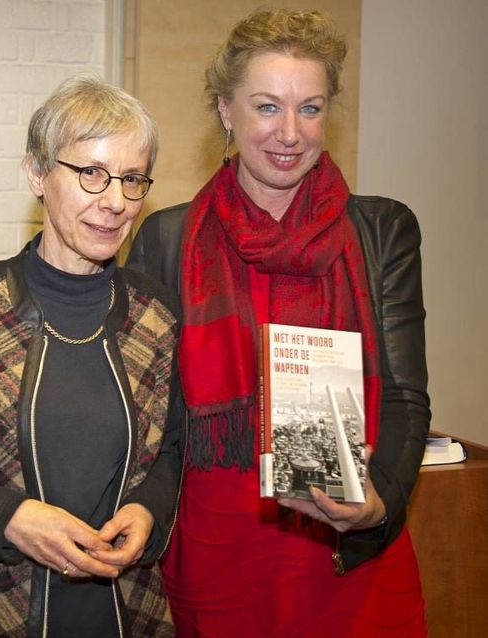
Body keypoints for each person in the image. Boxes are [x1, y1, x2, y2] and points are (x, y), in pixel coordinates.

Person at [126, 9, 429, 636]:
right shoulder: (168, 236)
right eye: (267, 107)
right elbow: (138, 400)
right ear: (226, 111)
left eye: (310, 108)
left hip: (349, 555)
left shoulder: (380, 231)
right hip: (217, 555)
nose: (290, 132)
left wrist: (379, 503)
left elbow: (403, 395)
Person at [0, 76, 184, 637]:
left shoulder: (159, 315)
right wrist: (11, 518)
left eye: (132, 179)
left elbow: (171, 450)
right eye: (91, 174)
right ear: (37, 174)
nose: (116, 202)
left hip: (131, 612)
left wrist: (149, 510)